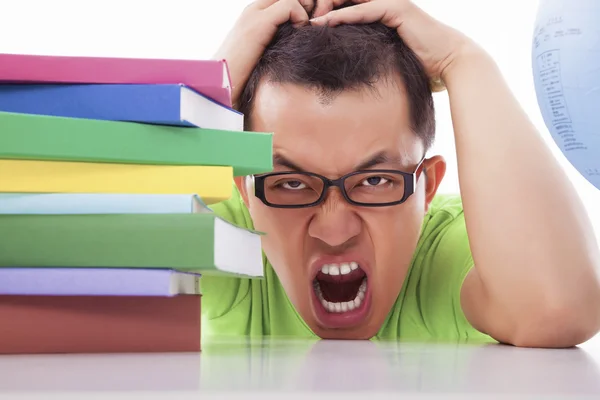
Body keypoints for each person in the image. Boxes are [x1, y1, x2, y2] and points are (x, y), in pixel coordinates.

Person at [200, 0, 600, 347]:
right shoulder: (229, 242)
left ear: (427, 187)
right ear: (244, 190)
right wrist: (205, 94)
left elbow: (559, 310)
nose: (335, 231)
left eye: (375, 181)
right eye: (291, 183)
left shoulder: (466, 250)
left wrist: (463, 60)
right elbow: (134, 241)